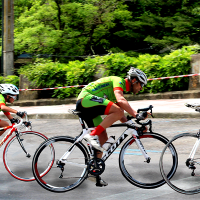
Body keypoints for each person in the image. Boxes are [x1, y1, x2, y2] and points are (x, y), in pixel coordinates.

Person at [76, 67, 148, 186]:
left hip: (90, 106)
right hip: (85, 100)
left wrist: (134, 126)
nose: (141, 88)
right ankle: (92, 135)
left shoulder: (116, 91)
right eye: (141, 84)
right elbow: (120, 102)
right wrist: (136, 114)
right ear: (134, 80)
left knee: (102, 139)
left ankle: (94, 173)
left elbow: (121, 116)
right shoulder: (118, 81)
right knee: (117, 110)